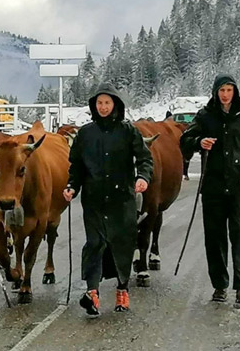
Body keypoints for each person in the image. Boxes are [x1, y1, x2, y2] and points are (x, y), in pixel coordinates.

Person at [63, 84, 153, 317]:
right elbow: (77, 167)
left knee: (121, 244)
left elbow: (145, 158)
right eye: (99, 103)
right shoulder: (85, 134)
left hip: (121, 198)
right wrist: (72, 186)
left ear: (115, 105)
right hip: (93, 199)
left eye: (107, 103)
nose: (103, 107)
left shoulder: (128, 131)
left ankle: (122, 289)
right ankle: (92, 293)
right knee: (95, 243)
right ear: (94, 106)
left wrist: (142, 177)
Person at [180, 74, 240, 307]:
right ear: (215, 92)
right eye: (222, 90)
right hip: (212, 187)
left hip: (238, 185)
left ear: (235, 91)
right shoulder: (206, 116)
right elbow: (185, 139)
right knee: (214, 237)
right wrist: (199, 142)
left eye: (229, 90)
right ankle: (219, 285)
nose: (225, 94)